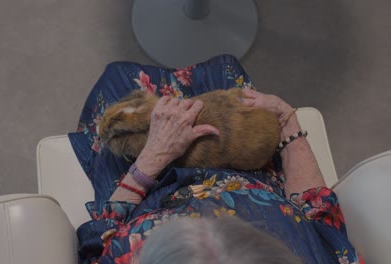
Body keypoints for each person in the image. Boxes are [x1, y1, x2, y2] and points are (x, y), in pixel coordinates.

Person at [70, 56, 364, 264]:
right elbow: (318, 210)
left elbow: (99, 238)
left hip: (153, 186)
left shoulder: (124, 254)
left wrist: (153, 157)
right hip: (251, 172)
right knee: (226, 66)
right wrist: (286, 120)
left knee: (116, 77)